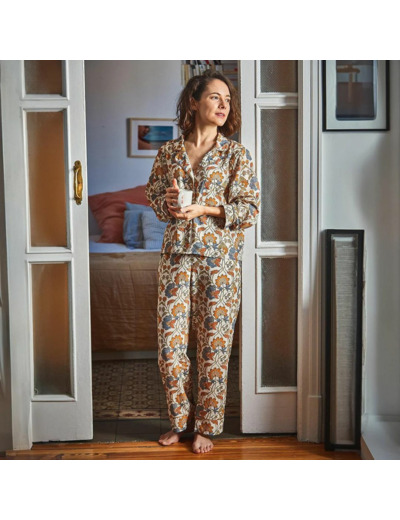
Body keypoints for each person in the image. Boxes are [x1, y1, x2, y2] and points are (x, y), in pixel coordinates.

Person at [145, 70, 260, 454]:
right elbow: (154, 196)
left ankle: (206, 427)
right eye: (215, 97)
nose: (224, 105)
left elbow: (250, 210)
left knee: (214, 347)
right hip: (176, 259)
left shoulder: (236, 155)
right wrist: (169, 203)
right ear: (194, 102)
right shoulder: (169, 153)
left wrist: (205, 209)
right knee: (170, 347)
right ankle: (180, 421)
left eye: (228, 99)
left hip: (220, 264)